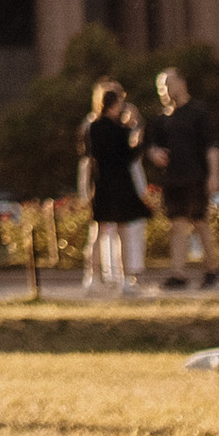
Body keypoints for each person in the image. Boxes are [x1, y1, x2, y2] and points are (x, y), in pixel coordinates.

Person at [77, 79, 154, 292]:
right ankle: (125, 279)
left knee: (98, 231)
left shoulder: (91, 127)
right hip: (119, 186)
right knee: (122, 232)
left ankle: (91, 277)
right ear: (113, 104)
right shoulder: (118, 131)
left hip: (100, 186)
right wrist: (136, 135)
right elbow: (128, 156)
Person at [145, 67, 219, 285]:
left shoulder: (199, 111)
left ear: (181, 83)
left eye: (167, 84)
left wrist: (213, 174)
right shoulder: (161, 119)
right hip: (172, 179)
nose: (163, 90)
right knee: (176, 225)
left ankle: (212, 269)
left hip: (196, 176)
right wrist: (153, 153)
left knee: (200, 222)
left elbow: (212, 145)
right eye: (160, 86)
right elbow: (151, 146)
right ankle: (179, 274)